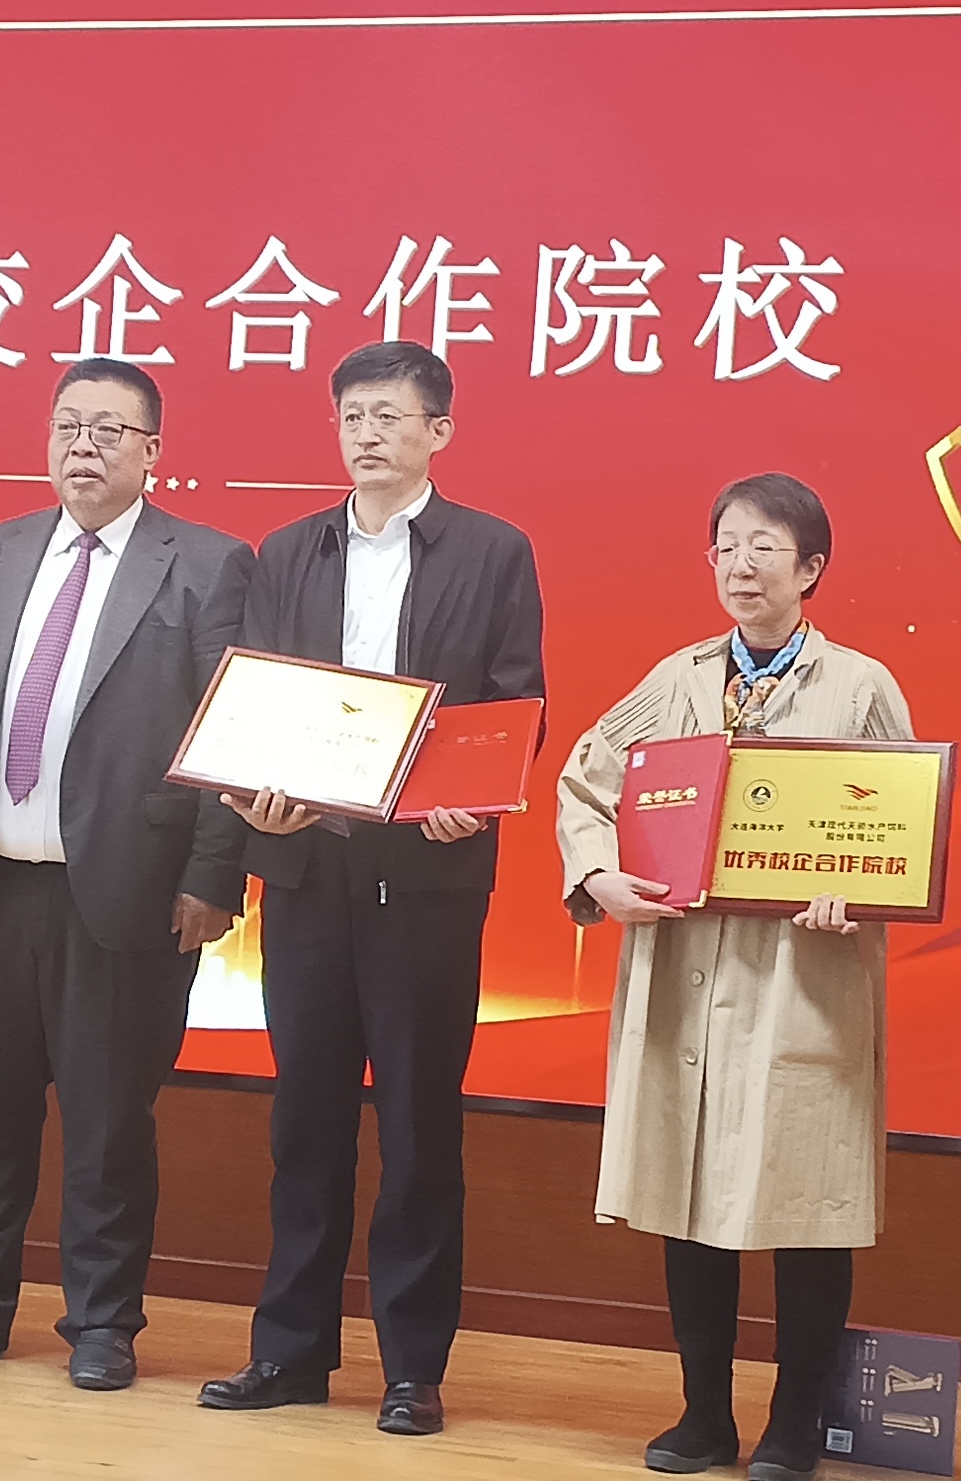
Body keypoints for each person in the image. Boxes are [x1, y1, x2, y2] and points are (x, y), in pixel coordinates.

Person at [0, 359, 253, 1391]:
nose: (81, 446)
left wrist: (214, 875)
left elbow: (229, 728)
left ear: (151, 451)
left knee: (107, 1120)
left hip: (130, 887)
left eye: (106, 429)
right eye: (66, 426)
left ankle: (101, 1321)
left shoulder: (208, 562)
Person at [197, 340, 546, 1438]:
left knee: (416, 1125)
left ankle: (410, 1366)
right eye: (351, 414)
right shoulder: (288, 549)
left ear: (438, 431)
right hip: (306, 865)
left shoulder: (492, 549)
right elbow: (255, 694)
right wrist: (251, 800)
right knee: (303, 1121)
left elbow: (515, 703)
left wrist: (472, 799)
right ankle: (289, 1352)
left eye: (389, 415)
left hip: (426, 876)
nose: (367, 433)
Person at [556, 473, 913, 1481]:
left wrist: (858, 892)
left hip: (803, 977)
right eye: (726, 545)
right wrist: (596, 873)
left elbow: (901, 824)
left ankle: (793, 1422)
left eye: (765, 547)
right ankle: (702, 1412)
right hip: (685, 964)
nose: (741, 564)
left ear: (810, 568)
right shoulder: (675, 678)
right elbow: (586, 780)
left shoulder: (859, 685)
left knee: (807, 1202)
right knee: (687, 1191)